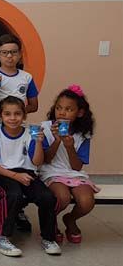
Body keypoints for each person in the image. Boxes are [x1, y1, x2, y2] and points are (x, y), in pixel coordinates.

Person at [0, 96, 59, 256]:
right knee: (13, 194)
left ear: (24, 115)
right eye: (7, 114)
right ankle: (0, 237)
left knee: (47, 196)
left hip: (27, 173)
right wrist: (15, 176)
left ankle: (48, 238)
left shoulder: (30, 135)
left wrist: (38, 142)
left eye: (17, 114)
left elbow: (37, 162)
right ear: (0, 116)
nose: (12, 118)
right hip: (3, 173)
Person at [40, 85, 98, 244]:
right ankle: (51, 223)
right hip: (51, 172)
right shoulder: (45, 128)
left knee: (86, 202)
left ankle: (70, 219)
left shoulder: (83, 135)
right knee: (62, 198)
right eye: (58, 108)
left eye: (68, 109)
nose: (62, 112)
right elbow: (45, 160)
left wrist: (69, 146)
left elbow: (77, 167)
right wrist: (57, 141)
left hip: (73, 173)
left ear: (80, 113)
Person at [0, 34, 39, 129]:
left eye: (14, 52)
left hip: (19, 127)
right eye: (4, 52)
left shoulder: (27, 77)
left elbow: (34, 106)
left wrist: (15, 113)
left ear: (20, 54)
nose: (9, 56)